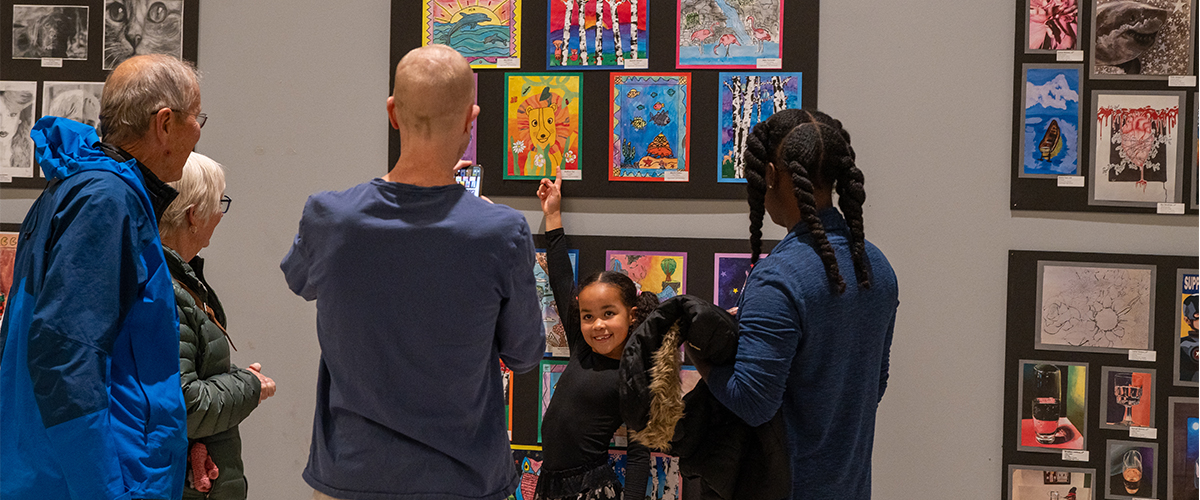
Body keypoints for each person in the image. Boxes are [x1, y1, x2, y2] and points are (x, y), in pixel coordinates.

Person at [280, 44, 544, 500]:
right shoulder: (501, 232)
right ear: (470, 119)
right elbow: (524, 354)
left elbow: (299, 281)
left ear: (393, 113)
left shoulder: (330, 217)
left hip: (352, 475)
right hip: (463, 481)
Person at [0, 53, 203, 499]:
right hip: (96, 480)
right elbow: (64, 357)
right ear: (165, 124)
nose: (199, 132)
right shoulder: (107, 202)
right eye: (197, 118)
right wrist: (105, 489)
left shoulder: (79, 188)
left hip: (62, 470)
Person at [693, 109, 899, 498]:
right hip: (850, 487)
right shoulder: (878, 268)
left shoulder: (779, 279)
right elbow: (876, 384)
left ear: (771, 174)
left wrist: (698, 350)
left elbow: (751, 402)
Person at [159, 152, 277, 499]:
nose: (220, 216)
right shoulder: (168, 289)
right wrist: (249, 384)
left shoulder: (179, 278)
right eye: (218, 204)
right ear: (194, 215)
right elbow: (183, 404)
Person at [535, 172, 654, 499]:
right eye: (588, 316)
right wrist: (553, 215)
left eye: (608, 314)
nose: (597, 325)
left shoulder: (632, 374)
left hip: (589, 488)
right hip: (549, 482)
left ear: (631, 315)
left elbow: (640, 451)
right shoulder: (581, 347)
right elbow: (561, 281)